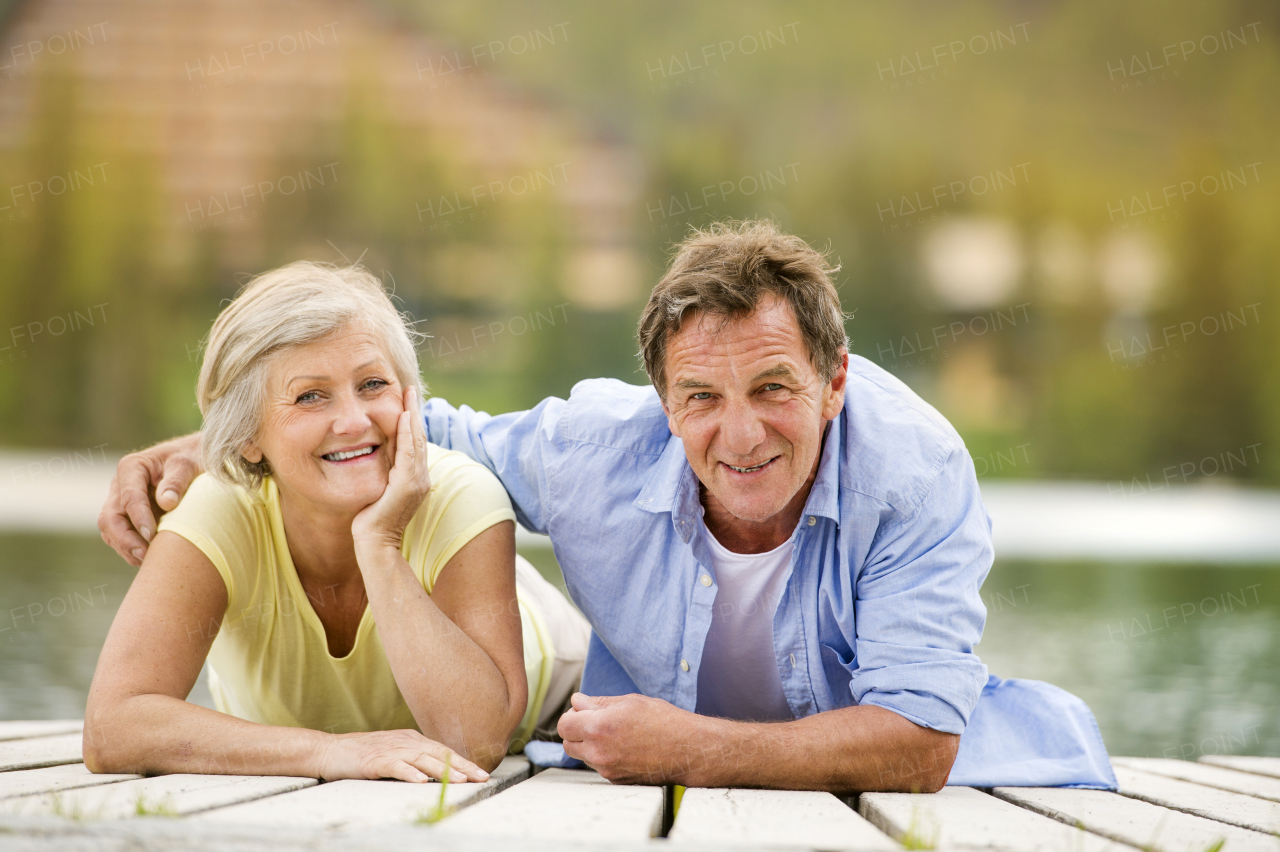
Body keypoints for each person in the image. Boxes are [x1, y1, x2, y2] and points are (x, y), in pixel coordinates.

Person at [99, 222, 1115, 792]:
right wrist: (223, 443)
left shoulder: (914, 473)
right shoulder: (594, 449)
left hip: (825, 774)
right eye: (700, 399)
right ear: (660, 402)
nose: (741, 433)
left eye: (773, 388)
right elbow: (411, 426)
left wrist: (691, 748)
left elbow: (915, 745)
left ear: (834, 378)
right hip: (636, 762)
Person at [85, 262, 589, 783]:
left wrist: (380, 543)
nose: (353, 421)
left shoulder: (461, 493)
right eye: (310, 395)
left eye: (373, 384)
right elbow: (112, 726)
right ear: (247, 436)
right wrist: (331, 752)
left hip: (553, 679)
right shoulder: (218, 508)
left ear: (409, 399)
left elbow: (473, 742)